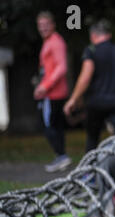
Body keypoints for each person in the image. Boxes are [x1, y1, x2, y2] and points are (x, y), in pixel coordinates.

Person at [64, 20, 115, 153]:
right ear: (108, 35)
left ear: (93, 36)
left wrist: (73, 99)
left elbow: (85, 78)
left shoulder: (91, 50)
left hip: (95, 102)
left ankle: (89, 171)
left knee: (92, 138)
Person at [35, 11, 71, 173]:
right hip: (52, 91)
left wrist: (45, 86)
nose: (43, 28)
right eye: (40, 25)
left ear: (53, 25)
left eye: (46, 25)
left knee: (48, 125)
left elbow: (61, 67)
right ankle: (61, 157)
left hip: (52, 92)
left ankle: (61, 155)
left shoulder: (55, 42)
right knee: (55, 125)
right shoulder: (49, 42)